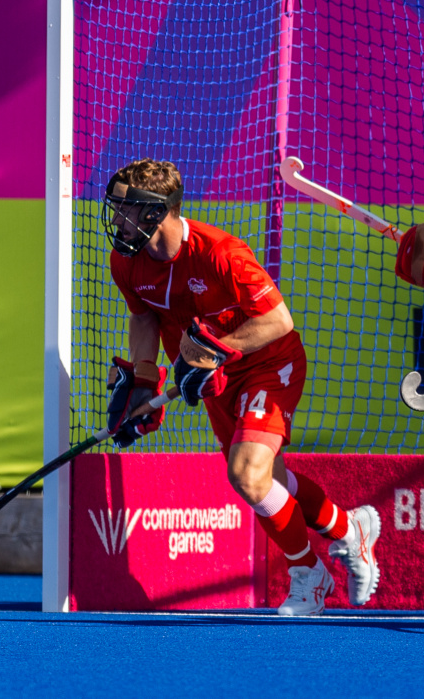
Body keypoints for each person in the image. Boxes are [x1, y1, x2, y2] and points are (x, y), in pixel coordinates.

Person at [102, 158, 380, 616]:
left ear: (154, 214)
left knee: (246, 474)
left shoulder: (220, 253)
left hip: (269, 363)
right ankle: (351, 528)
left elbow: (278, 320)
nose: (116, 220)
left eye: (124, 210)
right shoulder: (126, 260)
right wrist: (145, 375)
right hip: (217, 379)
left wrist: (215, 351)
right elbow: (143, 315)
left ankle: (308, 576)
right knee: (270, 481)